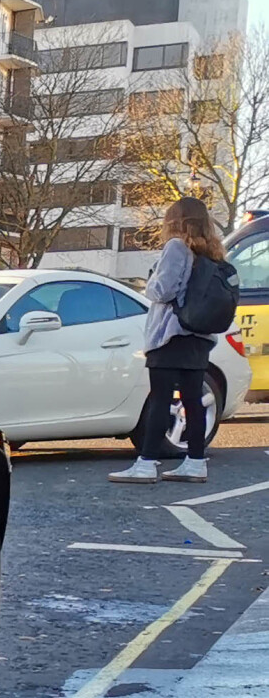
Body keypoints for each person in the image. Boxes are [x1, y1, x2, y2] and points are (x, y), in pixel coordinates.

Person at [111, 197, 230, 484]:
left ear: (174, 221)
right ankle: (196, 461)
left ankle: (147, 462)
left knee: (160, 400)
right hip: (198, 336)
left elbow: (162, 291)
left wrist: (149, 280)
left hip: (171, 335)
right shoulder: (212, 252)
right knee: (192, 400)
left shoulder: (177, 247)